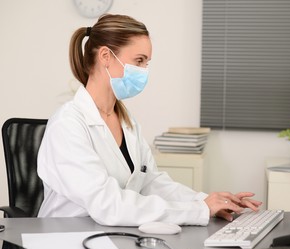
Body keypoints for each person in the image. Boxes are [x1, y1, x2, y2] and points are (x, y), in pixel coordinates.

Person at [37, 14, 262, 226]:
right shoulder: (67, 124)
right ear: (105, 56)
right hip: (66, 240)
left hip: (108, 235)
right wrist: (198, 211)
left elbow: (152, 183)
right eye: (139, 60)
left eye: (146, 62)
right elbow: (109, 205)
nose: (144, 70)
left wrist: (207, 201)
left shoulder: (127, 122)